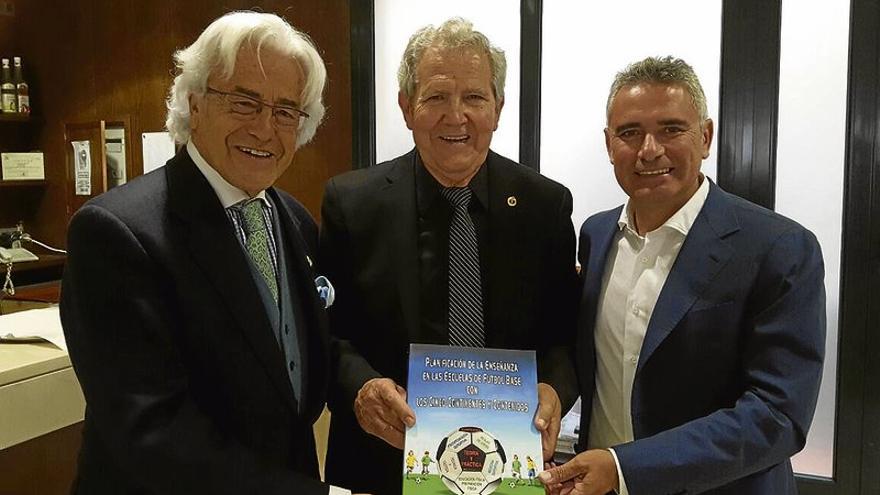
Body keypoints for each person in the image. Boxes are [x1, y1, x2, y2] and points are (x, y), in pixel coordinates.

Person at [60, 11, 367, 495]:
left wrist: (367, 391)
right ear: (195, 102)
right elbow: (151, 431)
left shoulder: (294, 220)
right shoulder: (116, 233)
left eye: (286, 111)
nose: (266, 129)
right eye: (245, 102)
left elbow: (299, 361)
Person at [539, 56, 826, 495]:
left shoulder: (779, 248)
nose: (649, 149)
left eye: (671, 129)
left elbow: (776, 416)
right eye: (629, 133)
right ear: (608, 143)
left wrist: (624, 468)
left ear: (706, 136)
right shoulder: (595, 235)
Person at [320, 17, 579, 495]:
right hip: (383, 462)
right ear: (406, 106)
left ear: (498, 108)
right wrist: (361, 387)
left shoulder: (545, 206)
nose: (456, 116)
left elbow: (565, 334)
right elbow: (329, 334)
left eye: (474, 97)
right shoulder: (352, 203)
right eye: (436, 96)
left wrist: (555, 390)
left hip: (510, 465)